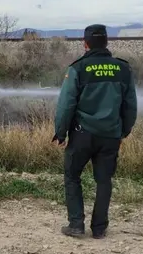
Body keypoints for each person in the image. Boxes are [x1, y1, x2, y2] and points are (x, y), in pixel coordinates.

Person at [53, 24, 137, 239]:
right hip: (111, 135)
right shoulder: (122, 69)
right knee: (104, 180)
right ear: (107, 42)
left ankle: (76, 225)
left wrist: (60, 132)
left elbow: (66, 104)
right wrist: (123, 132)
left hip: (82, 135)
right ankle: (99, 228)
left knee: (72, 176)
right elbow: (130, 105)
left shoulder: (78, 69)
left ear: (85, 43)